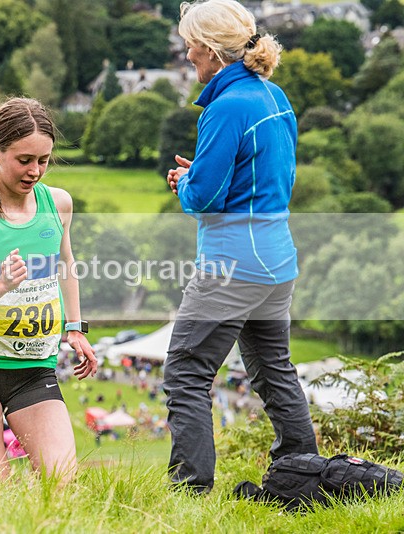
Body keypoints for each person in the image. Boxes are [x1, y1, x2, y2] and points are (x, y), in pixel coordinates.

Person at [162, 0, 318, 493]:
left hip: (231, 266)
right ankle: (304, 475)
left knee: (186, 373)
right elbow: (265, 178)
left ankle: (190, 490)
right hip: (277, 262)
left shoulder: (226, 106)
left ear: (210, 50)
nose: (187, 55)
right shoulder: (274, 96)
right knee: (274, 373)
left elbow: (205, 199)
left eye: (190, 45)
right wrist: (203, 174)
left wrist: (186, 183)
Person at [0, 97, 97, 482]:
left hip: (34, 369)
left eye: (43, 160)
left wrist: (75, 328)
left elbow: (66, 264)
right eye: (24, 160)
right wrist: (0, 284)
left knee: (61, 482)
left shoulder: (58, 204)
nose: (35, 171)